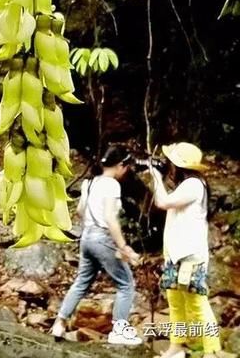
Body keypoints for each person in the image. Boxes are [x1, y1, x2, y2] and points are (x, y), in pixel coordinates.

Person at [51, 145, 143, 346]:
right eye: (126, 167)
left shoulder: (90, 183)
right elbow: (110, 218)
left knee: (81, 282)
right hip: (102, 238)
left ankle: (59, 323)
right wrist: (123, 246)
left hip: (86, 238)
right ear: (120, 165)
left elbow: (80, 211)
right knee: (126, 284)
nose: (126, 172)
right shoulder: (111, 185)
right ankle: (119, 330)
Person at [149, 142, 221, 358]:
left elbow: (163, 202)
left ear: (178, 165)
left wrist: (156, 177)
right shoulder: (187, 185)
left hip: (190, 256)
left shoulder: (194, 185)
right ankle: (177, 347)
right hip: (175, 255)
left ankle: (212, 350)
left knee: (197, 303)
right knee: (175, 302)